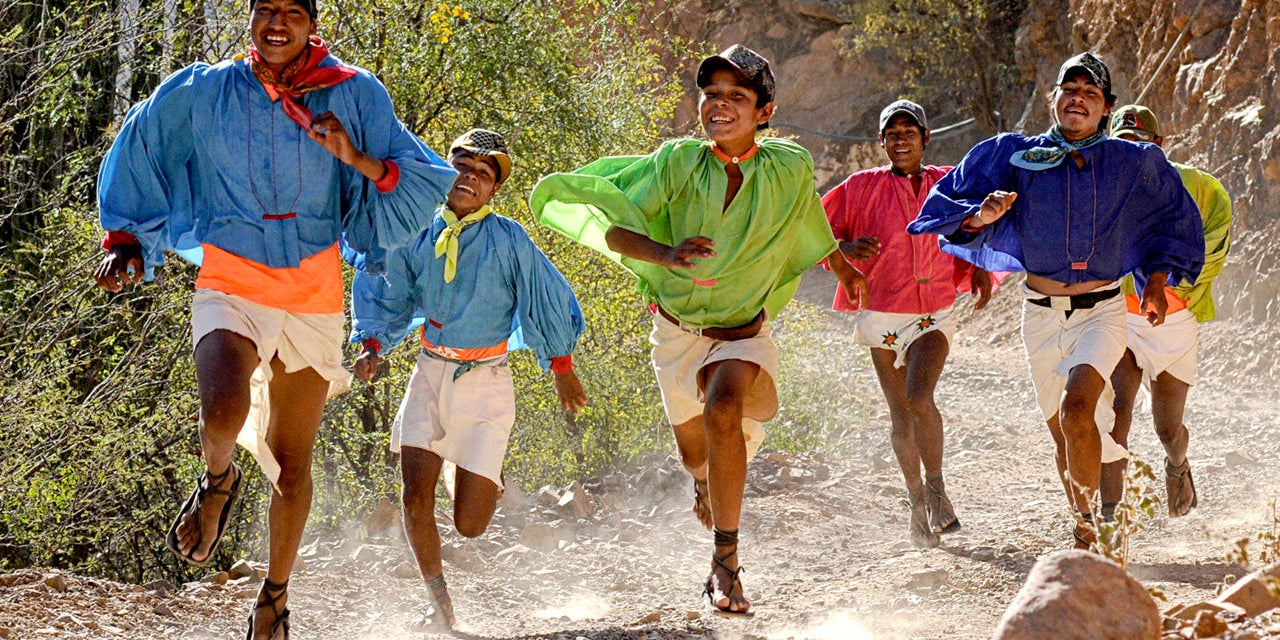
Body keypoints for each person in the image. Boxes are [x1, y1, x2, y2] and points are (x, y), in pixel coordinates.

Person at [93, 1, 457, 637]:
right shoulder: (206, 91)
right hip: (231, 277)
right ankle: (218, 480)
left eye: (293, 10)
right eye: (265, 9)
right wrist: (127, 239)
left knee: (293, 465)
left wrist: (356, 157)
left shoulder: (355, 93)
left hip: (312, 291)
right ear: (251, 19)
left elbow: (419, 179)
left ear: (313, 24)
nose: (278, 22)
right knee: (222, 411)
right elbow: (144, 141)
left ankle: (275, 596)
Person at [531, 44, 867, 615]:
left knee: (722, 409)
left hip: (743, 334)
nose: (720, 105)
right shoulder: (678, 162)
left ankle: (726, 562)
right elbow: (615, 231)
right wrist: (663, 253)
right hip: (676, 333)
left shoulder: (789, 167)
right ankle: (707, 482)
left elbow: (806, 217)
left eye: (737, 96)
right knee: (695, 457)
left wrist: (838, 263)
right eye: (712, 94)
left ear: (764, 111)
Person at [906, 52, 1205, 549]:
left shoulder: (1130, 162)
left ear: (1106, 108)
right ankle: (1102, 514)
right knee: (1067, 438)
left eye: (1091, 93)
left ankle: (1092, 532)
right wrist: (982, 215)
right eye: (1070, 89)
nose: (1078, 100)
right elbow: (946, 205)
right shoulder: (1012, 157)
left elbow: (1170, 219)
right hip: (1039, 315)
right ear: (1053, 98)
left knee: (1077, 410)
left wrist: (1155, 278)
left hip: (1103, 311)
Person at [350, 128, 588, 630]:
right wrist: (372, 344)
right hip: (430, 372)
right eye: (462, 166)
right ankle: (442, 610)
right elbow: (388, 289)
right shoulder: (417, 231)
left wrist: (560, 366)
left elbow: (545, 296)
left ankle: (486, 477)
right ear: (447, 169)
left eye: (483, 173)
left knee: (470, 525)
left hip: (486, 381)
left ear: (493, 189)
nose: (469, 178)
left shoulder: (509, 239)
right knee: (414, 497)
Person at [823, 99, 993, 548]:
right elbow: (812, 229)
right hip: (882, 312)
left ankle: (936, 489)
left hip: (934, 308)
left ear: (925, 139)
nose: (900, 140)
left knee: (920, 396)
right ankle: (915, 502)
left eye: (909, 132)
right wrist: (843, 248)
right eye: (892, 134)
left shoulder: (948, 181)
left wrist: (978, 267)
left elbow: (975, 225)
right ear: (881, 142)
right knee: (899, 413)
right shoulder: (859, 187)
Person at [1099, 105, 1231, 519]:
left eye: (1139, 144)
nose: (1131, 152)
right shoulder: (1098, 186)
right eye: (1122, 145)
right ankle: (1109, 519)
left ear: (1157, 146)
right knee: (1117, 412)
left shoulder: (1199, 186)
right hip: (1120, 318)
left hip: (1173, 323)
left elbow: (1216, 239)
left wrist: (1172, 285)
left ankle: (1178, 465)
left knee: (1167, 428)